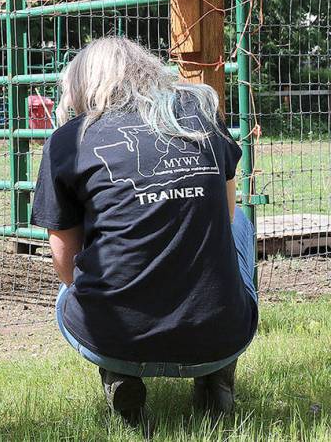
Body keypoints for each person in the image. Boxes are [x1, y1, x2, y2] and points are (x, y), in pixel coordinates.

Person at [31, 37, 258, 424]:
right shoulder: (200, 111)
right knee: (240, 224)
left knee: (71, 275)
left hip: (113, 336)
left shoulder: (68, 140)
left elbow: (63, 258)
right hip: (222, 331)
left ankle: (119, 371)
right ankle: (215, 372)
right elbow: (226, 211)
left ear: (83, 86)